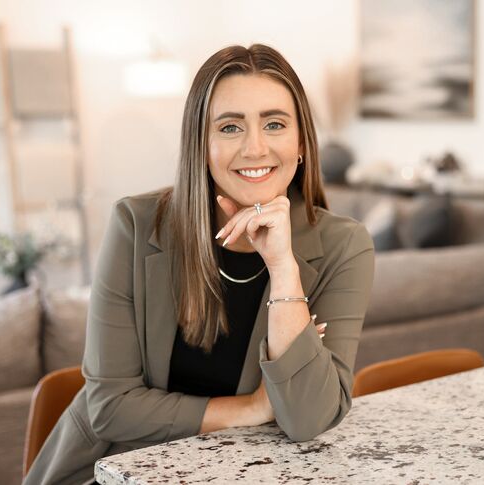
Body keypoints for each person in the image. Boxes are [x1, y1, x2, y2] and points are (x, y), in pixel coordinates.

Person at [23, 43, 375, 485]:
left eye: (274, 124)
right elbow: (110, 409)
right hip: (115, 469)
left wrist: (284, 267)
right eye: (230, 127)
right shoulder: (136, 226)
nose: (255, 147)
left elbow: (309, 419)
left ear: (301, 141)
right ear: (201, 145)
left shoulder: (345, 246)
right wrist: (252, 408)